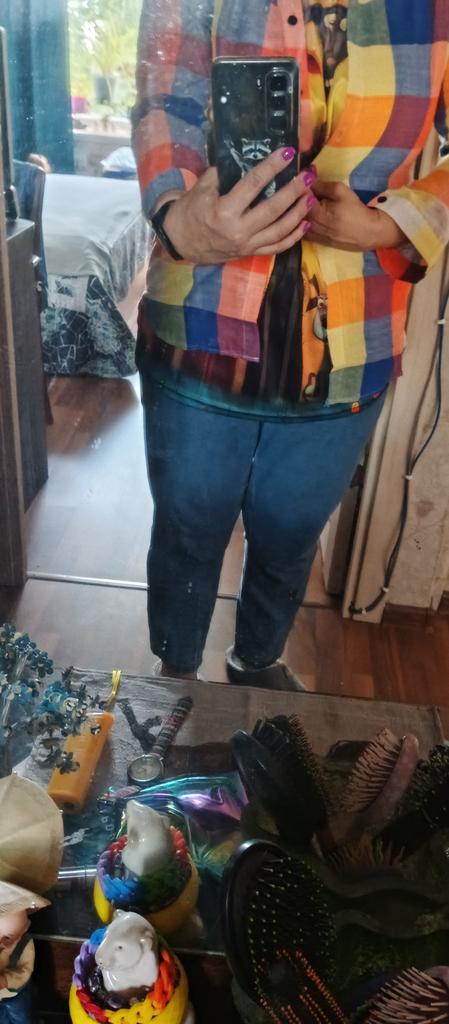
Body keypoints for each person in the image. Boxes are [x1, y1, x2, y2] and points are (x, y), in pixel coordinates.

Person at [132, 1, 449, 690]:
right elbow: (165, 100)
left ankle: (256, 662)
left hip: (351, 340)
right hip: (199, 324)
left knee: (292, 529)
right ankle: (174, 673)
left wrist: (392, 225)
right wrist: (177, 218)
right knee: (187, 522)